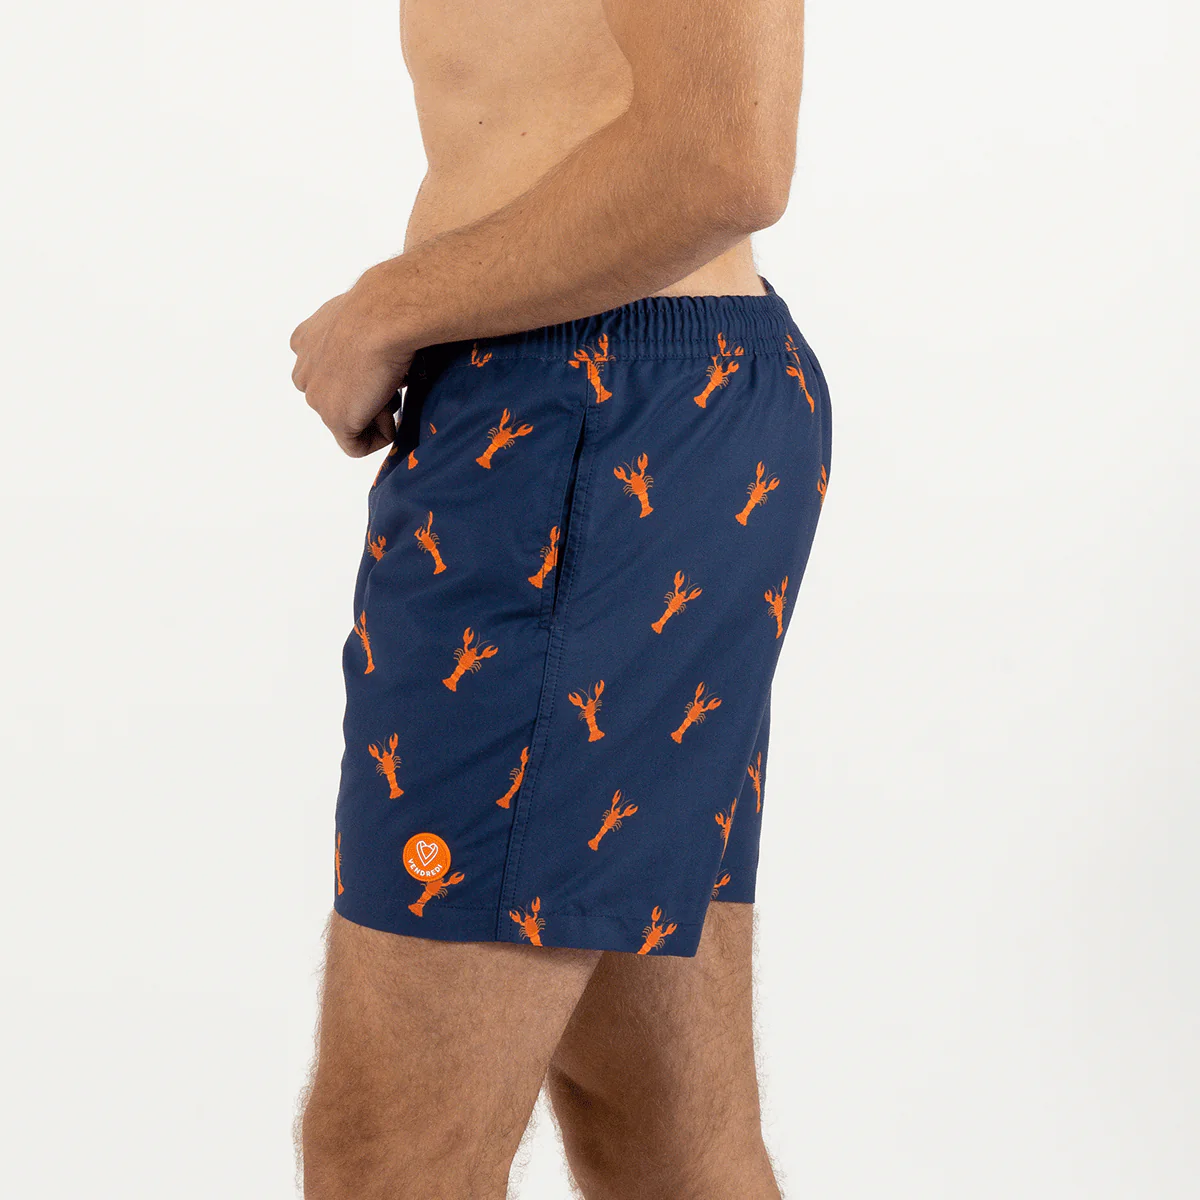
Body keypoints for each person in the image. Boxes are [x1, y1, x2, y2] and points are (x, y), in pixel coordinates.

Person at [289, 1, 830, 1195]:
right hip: (603, 414)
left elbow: (724, 155)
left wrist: (389, 305)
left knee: (393, 1158)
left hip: (583, 420)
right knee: (657, 1132)